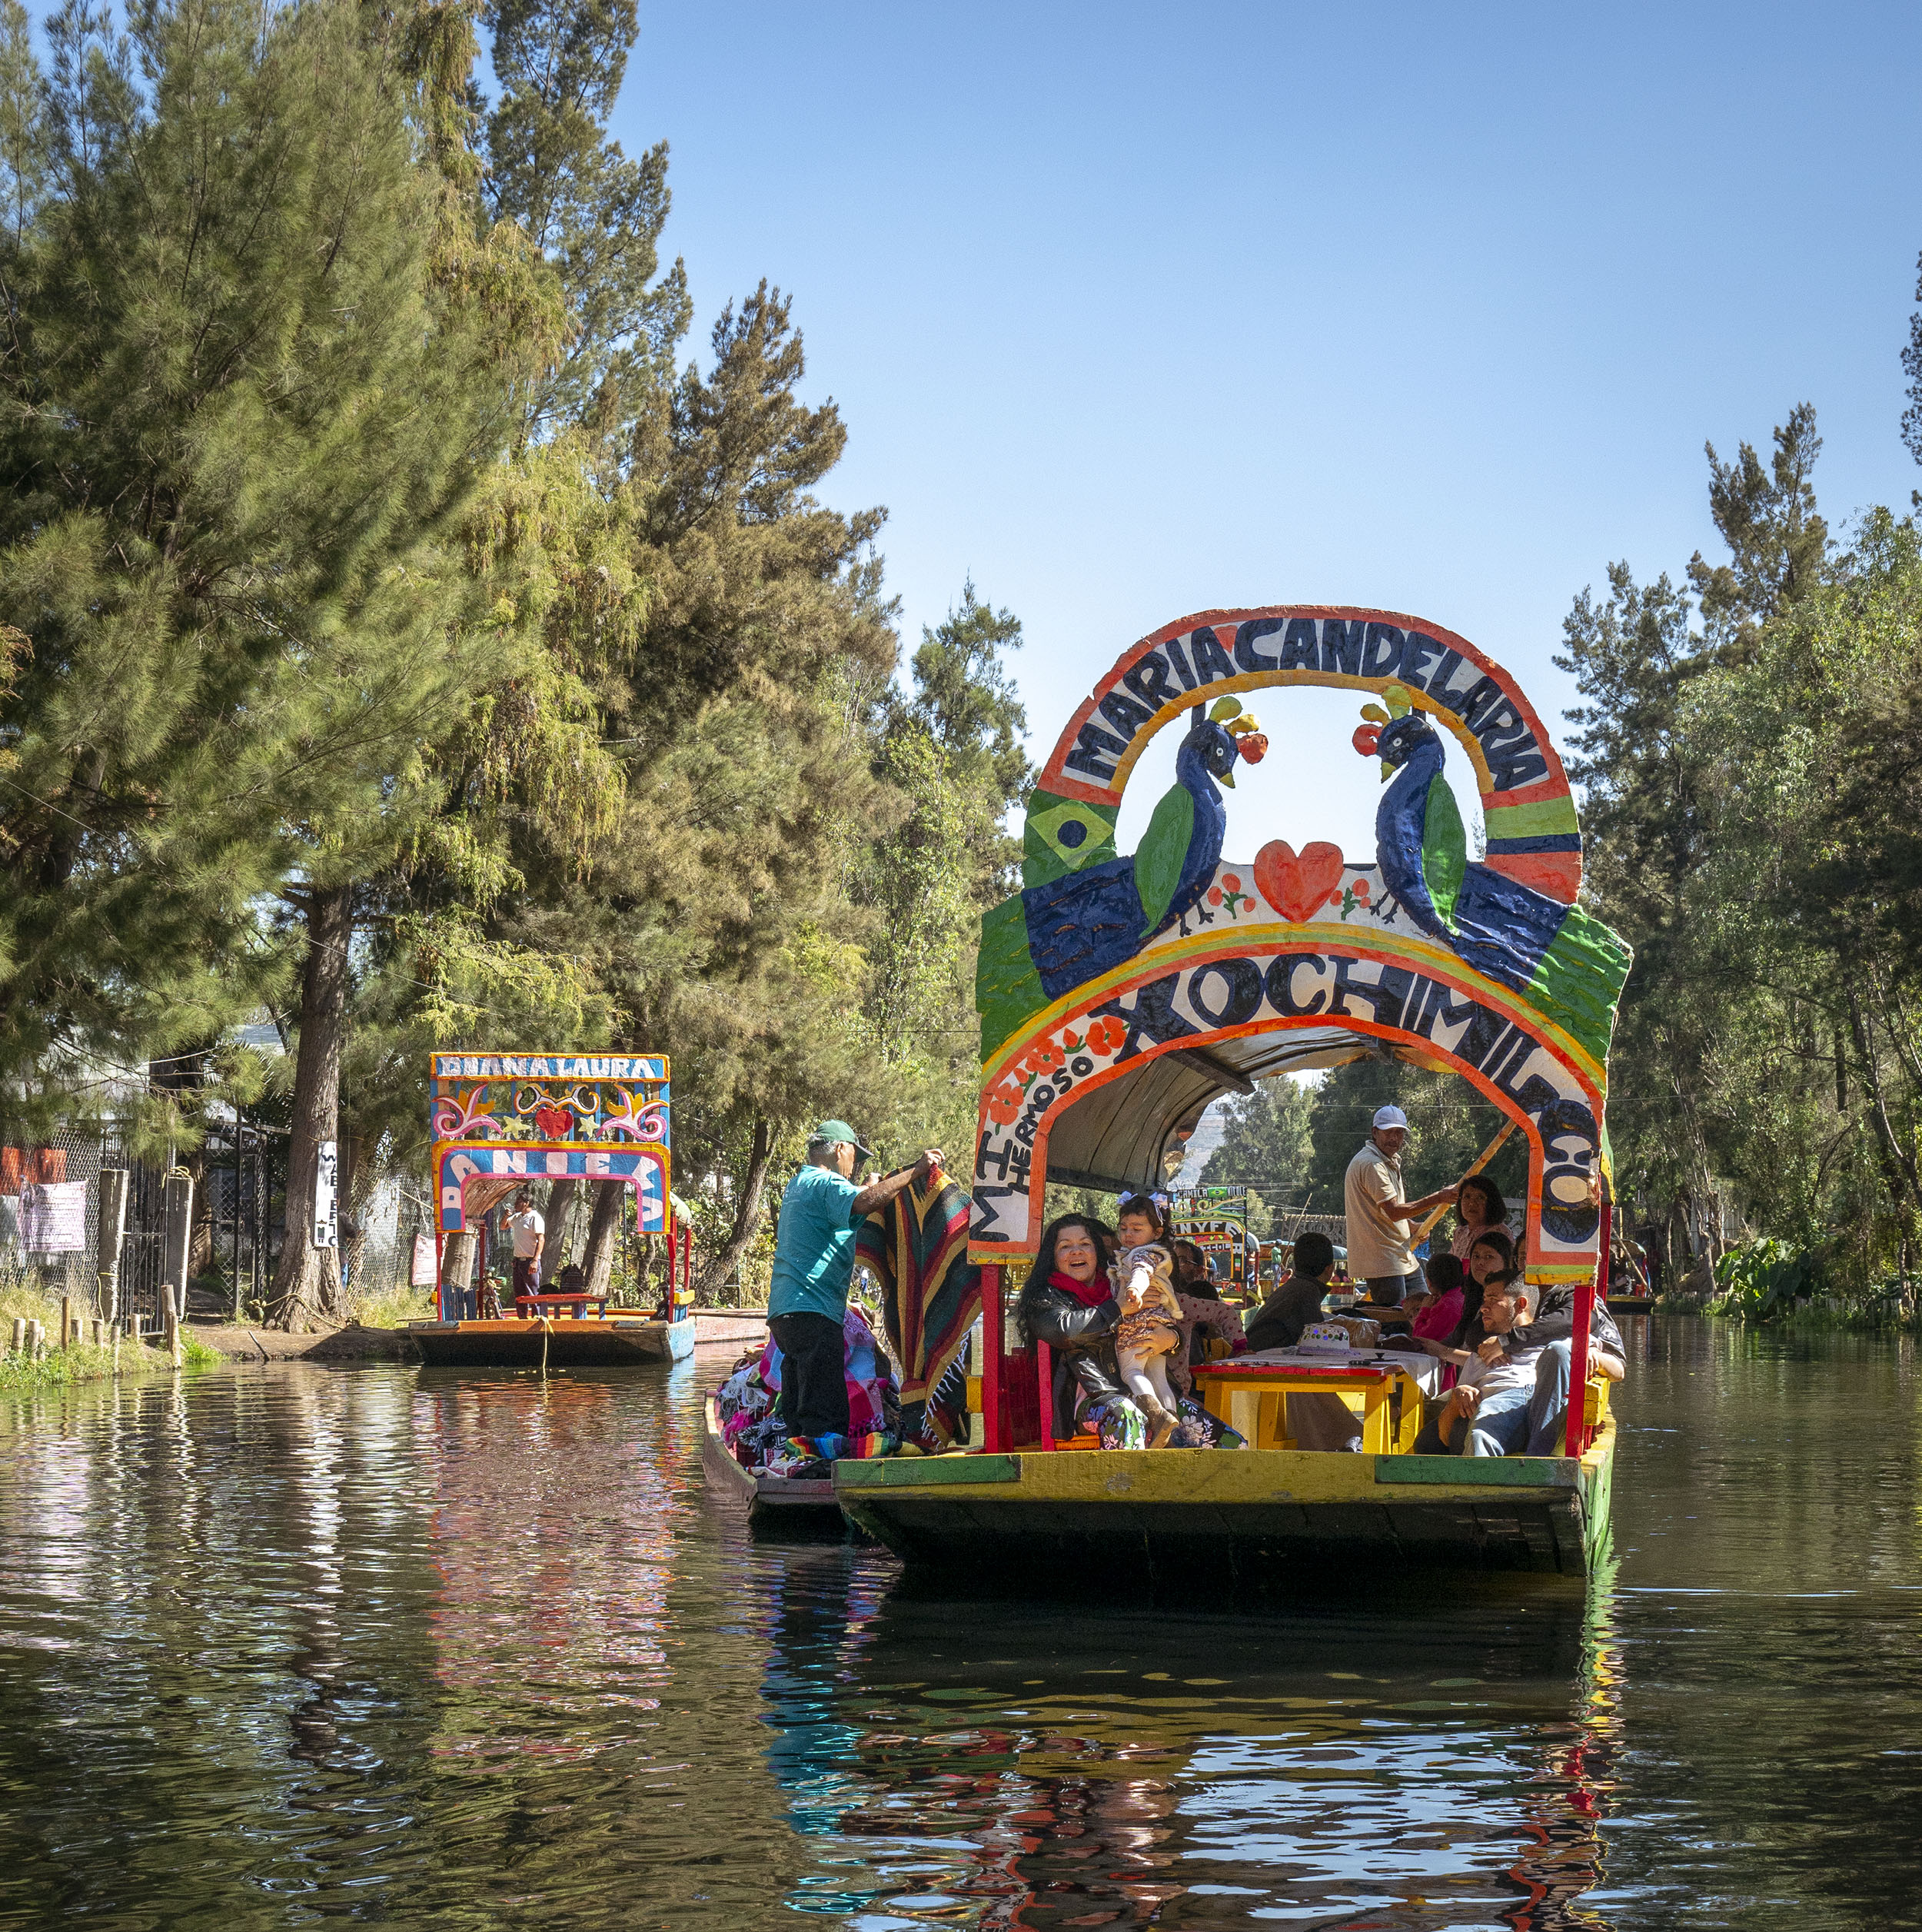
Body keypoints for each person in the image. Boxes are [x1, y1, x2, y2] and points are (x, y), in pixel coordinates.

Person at [767, 1121, 942, 1442]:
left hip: (785, 1312)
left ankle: (793, 1466)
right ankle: (821, 1476)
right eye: (854, 1156)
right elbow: (864, 1202)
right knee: (825, 1409)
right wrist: (916, 1172)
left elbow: (854, 1197)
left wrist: (868, 1184)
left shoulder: (800, 1183)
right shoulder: (826, 1181)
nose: (854, 1164)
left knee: (797, 1401)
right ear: (840, 1149)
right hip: (814, 1311)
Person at [1019, 1214, 1126, 1438]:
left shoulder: (1119, 1287)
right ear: (1054, 1258)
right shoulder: (1043, 1299)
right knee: (1123, 1414)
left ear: (1097, 1252)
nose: (1076, 1251)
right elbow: (1065, 1332)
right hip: (1085, 1403)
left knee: (1193, 1417)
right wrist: (1118, 1309)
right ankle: (1125, 1476)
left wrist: (1172, 1338)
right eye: (1065, 1246)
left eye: (1085, 1244)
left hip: (1136, 1387)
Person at [1344, 1106, 1458, 1305]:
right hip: (1383, 1261)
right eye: (1389, 1132)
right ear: (1374, 1132)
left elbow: (1387, 1213)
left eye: (1399, 1133)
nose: (1394, 1139)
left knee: (1423, 1309)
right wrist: (1439, 1198)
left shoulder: (1386, 1161)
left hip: (1399, 1256)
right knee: (1398, 1321)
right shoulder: (1372, 1164)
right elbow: (1394, 1211)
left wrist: (1411, 1226)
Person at [1109, 1192, 1185, 1446]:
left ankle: (1157, 1418)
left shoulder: (1140, 1255)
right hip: (1160, 1325)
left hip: (1138, 1322)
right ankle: (1172, 1422)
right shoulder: (1156, 1253)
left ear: (1157, 1232)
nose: (1128, 1234)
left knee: (1132, 1371)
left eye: (1137, 1228)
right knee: (1158, 1376)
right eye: (1124, 1228)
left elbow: (1141, 1273)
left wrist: (1134, 1291)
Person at [1245, 1230, 1337, 1353]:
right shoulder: (1307, 1291)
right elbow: (1317, 1340)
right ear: (1330, 1268)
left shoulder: (1292, 1287)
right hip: (1262, 1362)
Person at [1450, 1175, 1508, 1262]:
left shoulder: (1499, 1232)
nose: (1472, 1203)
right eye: (1467, 1197)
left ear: (1492, 1203)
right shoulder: (1459, 1233)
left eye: (1480, 1198)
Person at [505, 1191, 546, 1307]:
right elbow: (503, 1226)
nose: (515, 1204)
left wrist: (535, 1260)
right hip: (518, 1261)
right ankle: (522, 1319)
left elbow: (541, 1240)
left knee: (533, 1293)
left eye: (518, 1202)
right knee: (519, 1294)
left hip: (530, 1261)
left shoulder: (535, 1218)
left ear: (526, 1203)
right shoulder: (517, 1217)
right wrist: (506, 1216)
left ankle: (537, 1318)